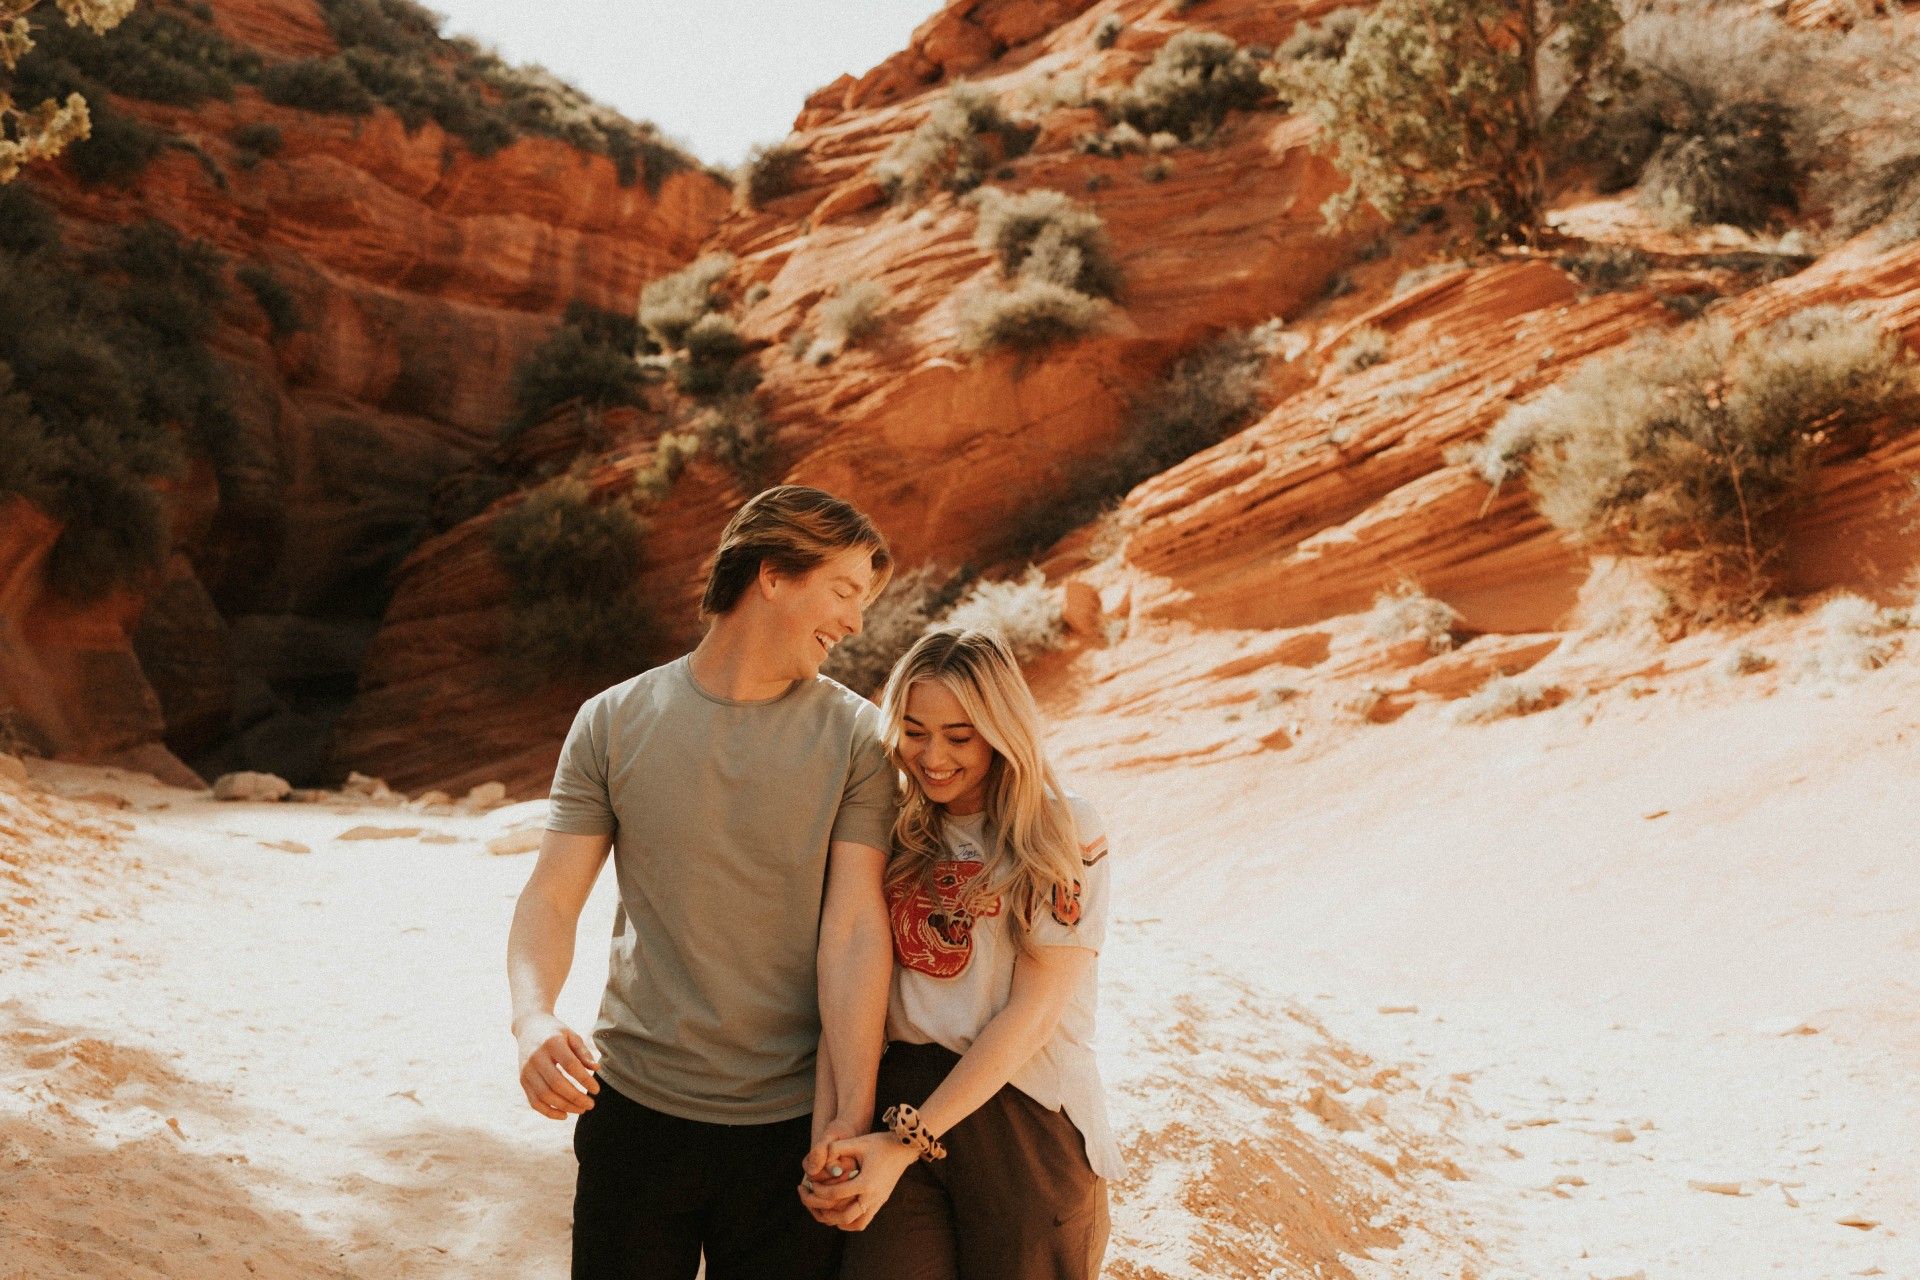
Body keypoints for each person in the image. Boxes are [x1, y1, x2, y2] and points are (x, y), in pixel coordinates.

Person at [505, 484, 900, 1280]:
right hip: (633, 1113)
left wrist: (849, 1119)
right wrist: (531, 1019)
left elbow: (857, 932)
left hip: (792, 1131)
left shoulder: (859, 736)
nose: (857, 621)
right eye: (845, 590)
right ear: (774, 573)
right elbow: (551, 897)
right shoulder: (612, 721)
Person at [801, 628, 1125, 1280]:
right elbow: (849, 976)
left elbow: (1033, 1014)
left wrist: (902, 1145)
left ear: (1001, 729)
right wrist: (832, 1129)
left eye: (960, 735)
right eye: (915, 730)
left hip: (1025, 1116)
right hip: (901, 1093)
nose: (932, 755)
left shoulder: (1062, 828)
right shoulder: (886, 829)